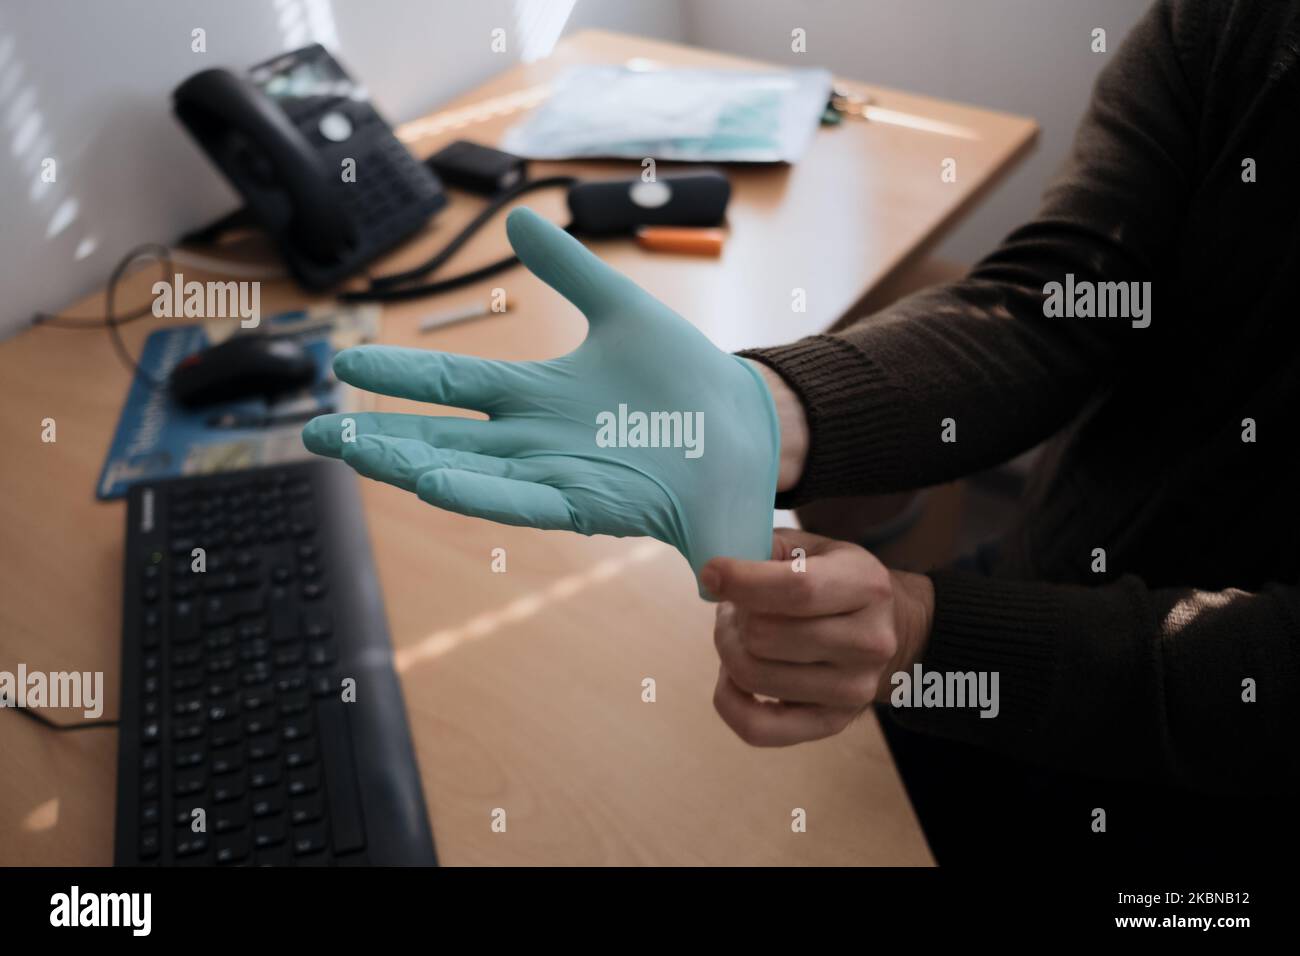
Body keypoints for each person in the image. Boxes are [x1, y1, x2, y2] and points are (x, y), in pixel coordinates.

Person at [306, 0, 1298, 863]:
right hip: (1030, 594)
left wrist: (927, 632)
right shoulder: (1239, 21)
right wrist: (766, 411)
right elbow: (1061, 305)